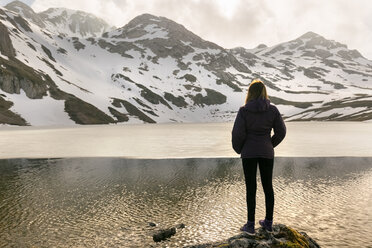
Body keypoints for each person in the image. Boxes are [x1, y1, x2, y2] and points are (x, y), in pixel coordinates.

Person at [231, 79, 286, 235]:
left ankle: (250, 226)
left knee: (251, 189)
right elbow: (281, 132)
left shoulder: (244, 111)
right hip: (267, 152)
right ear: (264, 92)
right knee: (268, 187)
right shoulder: (273, 110)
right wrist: (269, 145)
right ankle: (268, 223)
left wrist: (239, 149)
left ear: (250, 93)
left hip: (248, 153)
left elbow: (237, 133)